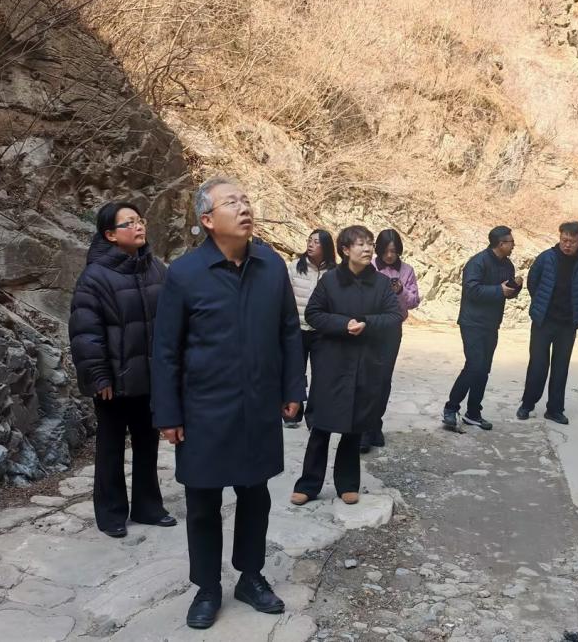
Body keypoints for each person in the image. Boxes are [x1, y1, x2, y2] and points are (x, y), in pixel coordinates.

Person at [150, 177, 305, 629]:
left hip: (257, 404)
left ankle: (250, 577)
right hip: (203, 408)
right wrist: (168, 413)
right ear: (207, 220)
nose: (244, 207)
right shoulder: (185, 273)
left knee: (255, 495)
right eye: (231, 202)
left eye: (246, 200)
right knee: (202, 501)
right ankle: (207, 587)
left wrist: (293, 388)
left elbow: (289, 331)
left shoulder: (271, 265)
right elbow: (166, 350)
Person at [69, 201, 175, 539]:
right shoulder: (94, 277)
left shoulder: (155, 269)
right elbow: (86, 332)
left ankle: (148, 507)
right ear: (110, 235)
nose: (139, 226)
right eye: (129, 223)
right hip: (113, 381)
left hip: (149, 377)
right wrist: (99, 376)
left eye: (140, 220)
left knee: (147, 443)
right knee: (111, 447)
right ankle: (111, 512)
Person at [291, 225, 402, 506]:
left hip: (365, 362)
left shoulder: (380, 283)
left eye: (369, 244)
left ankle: (348, 484)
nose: (367, 249)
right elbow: (313, 313)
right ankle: (309, 484)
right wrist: (343, 324)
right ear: (345, 250)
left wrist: (366, 323)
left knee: (354, 426)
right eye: (360, 244)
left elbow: (394, 316)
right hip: (332, 360)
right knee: (322, 426)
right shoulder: (330, 281)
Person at [442, 226, 521, 432]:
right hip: (472, 323)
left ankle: (473, 413)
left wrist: (515, 287)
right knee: (474, 365)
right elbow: (471, 290)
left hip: (492, 324)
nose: (513, 246)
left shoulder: (508, 265)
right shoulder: (477, 262)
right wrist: (499, 290)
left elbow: (507, 292)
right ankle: (451, 408)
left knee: (484, 369)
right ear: (501, 244)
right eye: (511, 242)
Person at [516, 221, 578, 424]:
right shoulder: (546, 257)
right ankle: (527, 404)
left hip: (568, 324)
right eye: (564, 240)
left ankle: (554, 409)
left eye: (572, 241)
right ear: (560, 238)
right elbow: (533, 282)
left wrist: (573, 306)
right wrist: (541, 304)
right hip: (543, 321)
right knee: (537, 365)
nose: (567, 245)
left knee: (561, 367)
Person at [363, 228, 420, 452]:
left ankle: (375, 424)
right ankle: (363, 428)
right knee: (366, 377)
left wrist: (401, 290)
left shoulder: (407, 271)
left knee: (383, 379)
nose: (389, 256)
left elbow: (414, 301)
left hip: (392, 329)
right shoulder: (368, 267)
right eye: (386, 251)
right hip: (368, 327)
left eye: (394, 251)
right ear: (378, 249)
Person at [287, 229, 337, 429]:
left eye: (316, 242)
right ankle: (293, 413)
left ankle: (315, 416)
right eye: (309, 240)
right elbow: (284, 297)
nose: (311, 244)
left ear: (326, 247)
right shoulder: (294, 267)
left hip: (321, 331)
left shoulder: (334, 273)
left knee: (321, 374)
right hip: (297, 328)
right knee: (295, 371)